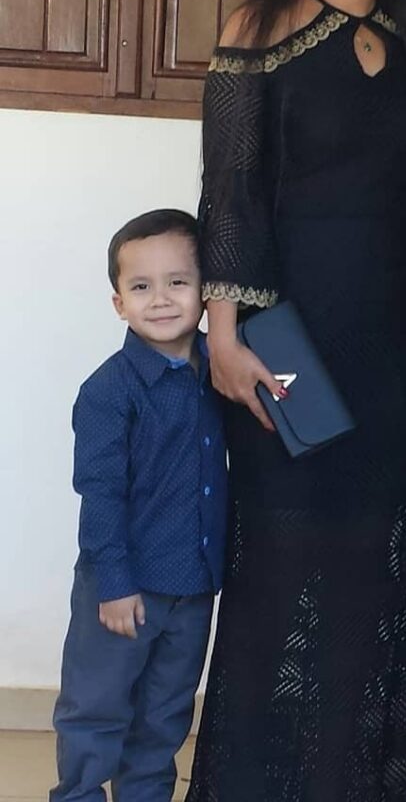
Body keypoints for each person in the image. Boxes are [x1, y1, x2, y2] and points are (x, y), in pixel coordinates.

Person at [184, 0, 406, 801]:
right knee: (284, 563)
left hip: (393, 352)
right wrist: (223, 334)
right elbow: (229, 191)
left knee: (369, 569)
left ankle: (349, 781)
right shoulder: (259, 26)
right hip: (283, 343)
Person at [50, 209, 226, 802]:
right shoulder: (108, 391)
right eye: (142, 286)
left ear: (205, 292)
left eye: (178, 282)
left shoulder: (220, 371)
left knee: (165, 717)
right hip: (124, 588)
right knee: (96, 708)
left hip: (193, 588)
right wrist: (115, 584)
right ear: (118, 302)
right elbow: (100, 492)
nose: (162, 299)